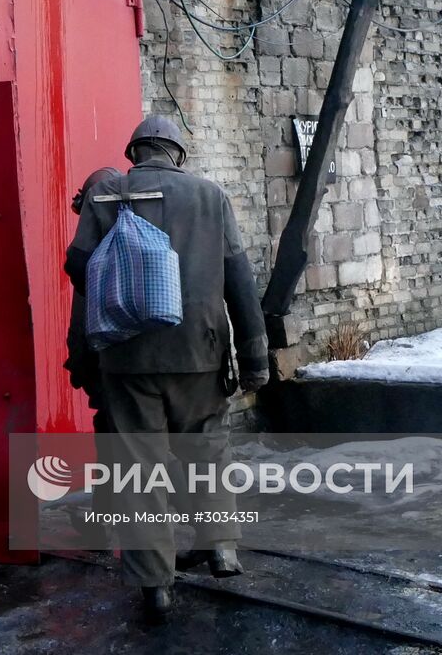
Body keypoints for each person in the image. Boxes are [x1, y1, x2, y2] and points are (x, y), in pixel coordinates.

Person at [64, 115, 270, 624]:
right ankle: (221, 546)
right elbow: (239, 280)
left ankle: (156, 586)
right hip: (200, 352)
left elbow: (78, 268)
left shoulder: (109, 193)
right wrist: (255, 355)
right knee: (208, 451)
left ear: (134, 151)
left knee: (139, 471)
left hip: (127, 355)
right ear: (177, 153)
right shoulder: (209, 196)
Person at [64, 166, 121, 544]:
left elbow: (82, 318)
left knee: (115, 443)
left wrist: (79, 365)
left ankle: (108, 522)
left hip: (108, 365)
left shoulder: (92, 256)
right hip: (140, 365)